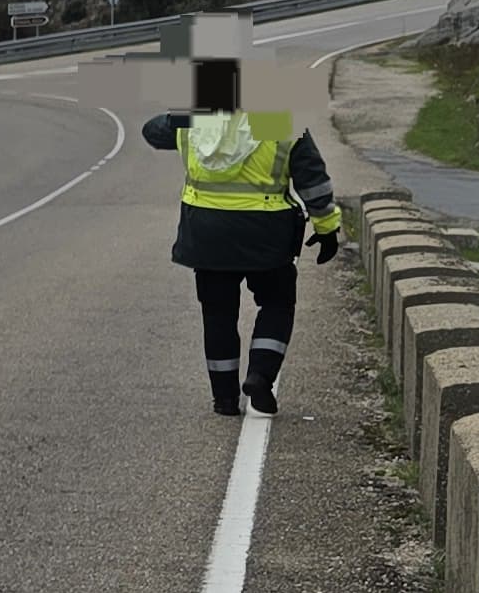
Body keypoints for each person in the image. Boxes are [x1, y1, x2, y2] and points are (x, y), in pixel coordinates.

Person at [142, 58, 342, 416]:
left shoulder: (196, 121)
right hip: (266, 235)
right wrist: (327, 228)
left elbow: (151, 130)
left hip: (206, 235)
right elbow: (313, 181)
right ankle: (260, 376)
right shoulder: (280, 120)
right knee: (277, 303)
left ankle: (224, 398)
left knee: (218, 314)